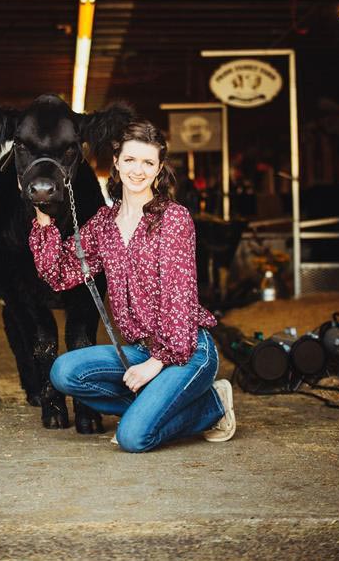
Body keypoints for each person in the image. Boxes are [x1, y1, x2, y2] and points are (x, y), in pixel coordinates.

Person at [28, 120, 236, 453]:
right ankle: (158, 408)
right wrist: (44, 219)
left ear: (159, 169)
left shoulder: (173, 219)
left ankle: (214, 406)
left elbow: (179, 300)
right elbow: (61, 273)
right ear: (116, 163)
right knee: (64, 371)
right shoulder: (104, 224)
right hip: (137, 350)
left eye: (147, 162)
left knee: (133, 437)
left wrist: (157, 363)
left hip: (185, 352)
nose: (137, 171)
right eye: (130, 160)